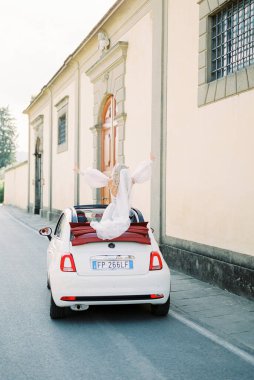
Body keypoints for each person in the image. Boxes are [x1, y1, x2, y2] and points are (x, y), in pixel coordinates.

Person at [74, 155, 154, 240]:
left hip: (111, 211)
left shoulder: (111, 182)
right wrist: (150, 161)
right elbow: (140, 172)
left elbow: (96, 177)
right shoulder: (130, 182)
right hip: (124, 211)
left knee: (105, 227)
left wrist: (80, 171)